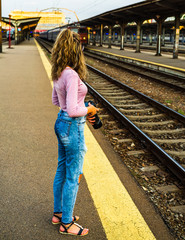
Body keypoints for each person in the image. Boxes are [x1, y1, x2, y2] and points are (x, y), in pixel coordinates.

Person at [51, 29, 98, 236]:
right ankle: (67, 223)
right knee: (73, 175)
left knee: (62, 170)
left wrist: (79, 104)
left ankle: (59, 213)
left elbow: (56, 102)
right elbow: (72, 110)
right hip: (72, 126)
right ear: (75, 49)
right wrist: (89, 109)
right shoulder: (71, 74)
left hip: (61, 123)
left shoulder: (59, 72)